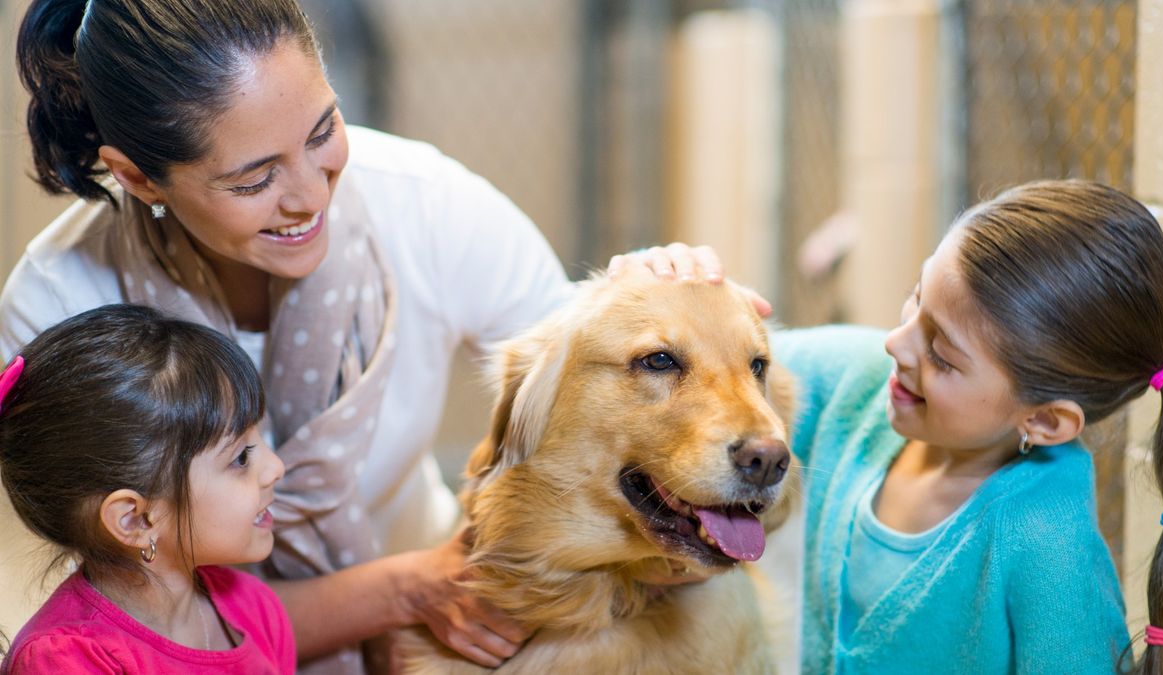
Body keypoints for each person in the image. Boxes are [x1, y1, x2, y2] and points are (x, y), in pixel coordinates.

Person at [3, 1, 750, 672]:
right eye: (253, 179)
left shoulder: (428, 205)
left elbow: (583, 393)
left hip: (455, 601)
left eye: (324, 131)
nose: (310, 194)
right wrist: (399, 594)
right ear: (138, 178)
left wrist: (652, 305)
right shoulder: (60, 304)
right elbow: (131, 610)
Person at [772, 179, 1163, 673]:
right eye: (916, 297)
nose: (896, 344)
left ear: (1044, 420)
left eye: (942, 357)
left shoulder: (1051, 551)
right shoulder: (860, 382)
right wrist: (666, 271)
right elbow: (711, 368)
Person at [0, 304, 292, 673]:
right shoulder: (68, 659)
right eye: (241, 458)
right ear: (136, 520)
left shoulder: (257, 609)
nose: (276, 468)